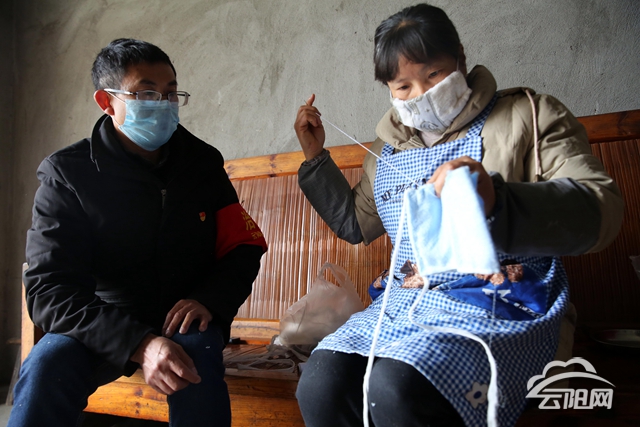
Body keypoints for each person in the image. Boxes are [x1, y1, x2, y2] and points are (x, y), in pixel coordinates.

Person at [293, 4, 622, 427]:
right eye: (404, 86)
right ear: (388, 88)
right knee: (321, 383)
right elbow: (356, 225)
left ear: (460, 60)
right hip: (408, 303)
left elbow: (601, 208)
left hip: (503, 301)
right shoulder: (386, 152)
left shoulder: (528, 115)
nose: (422, 93)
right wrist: (315, 158)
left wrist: (498, 201)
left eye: (433, 75)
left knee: (396, 387)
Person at [10, 38, 267, 427]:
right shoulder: (68, 174)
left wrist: (209, 300)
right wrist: (139, 343)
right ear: (106, 101)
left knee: (195, 358)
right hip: (103, 319)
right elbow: (49, 289)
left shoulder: (202, 163)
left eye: (170, 93)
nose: (162, 104)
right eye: (146, 93)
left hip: (184, 318)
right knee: (48, 364)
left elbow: (243, 246)